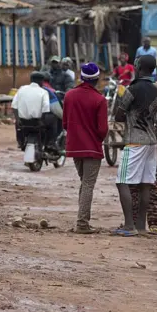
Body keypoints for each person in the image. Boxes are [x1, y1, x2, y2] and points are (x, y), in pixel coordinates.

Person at [114, 55, 157, 236]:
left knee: (122, 182)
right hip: (152, 141)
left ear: (137, 66)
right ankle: (141, 226)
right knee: (146, 184)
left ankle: (129, 225)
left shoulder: (133, 88)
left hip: (135, 140)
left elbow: (119, 115)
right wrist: (155, 133)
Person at [63, 63, 108, 234]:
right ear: (97, 79)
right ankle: (82, 223)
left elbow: (66, 123)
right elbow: (103, 129)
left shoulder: (69, 95)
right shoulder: (100, 100)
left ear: (81, 77)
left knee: (84, 183)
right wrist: (97, 139)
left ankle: (82, 220)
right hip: (92, 148)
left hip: (75, 147)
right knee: (88, 184)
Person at [11, 72, 53, 151]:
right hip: (36, 122)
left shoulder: (21, 89)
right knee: (53, 121)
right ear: (41, 82)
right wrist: (41, 120)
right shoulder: (43, 92)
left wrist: (18, 119)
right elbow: (46, 107)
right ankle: (49, 143)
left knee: (18, 127)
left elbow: (14, 105)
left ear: (31, 80)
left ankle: (20, 142)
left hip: (23, 122)